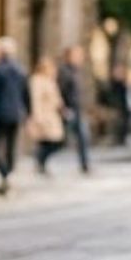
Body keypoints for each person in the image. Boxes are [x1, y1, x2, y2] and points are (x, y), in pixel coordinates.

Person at [0, 38, 30, 190]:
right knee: (10, 146)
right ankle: (8, 173)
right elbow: (26, 94)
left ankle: (5, 174)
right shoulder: (21, 70)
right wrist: (28, 112)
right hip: (15, 113)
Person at [28, 57, 67, 175]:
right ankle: (40, 162)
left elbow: (56, 98)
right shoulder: (37, 81)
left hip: (53, 115)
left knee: (55, 141)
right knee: (49, 141)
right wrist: (37, 117)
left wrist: (62, 108)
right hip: (45, 115)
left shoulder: (50, 80)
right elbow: (36, 100)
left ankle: (41, 162)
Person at [59, 46, 93, 174]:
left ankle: (85, 165)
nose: (80, 58)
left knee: (83, 137)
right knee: (60, 139)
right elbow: (60, 91)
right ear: (69, 56)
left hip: (77, 110)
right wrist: (63, 108)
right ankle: (41, 158)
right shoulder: (64, 71)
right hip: (69, 109)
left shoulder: (76, 71)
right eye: (77, 55)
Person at [106, 66, 131, 146]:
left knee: (125, 124)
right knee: (118, 124)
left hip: (125, 106)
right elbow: (112, 96)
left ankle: (122, 139)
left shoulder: (124, 83)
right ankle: (117, 139)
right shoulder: (114, 84)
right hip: (118, 106)